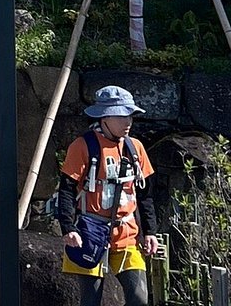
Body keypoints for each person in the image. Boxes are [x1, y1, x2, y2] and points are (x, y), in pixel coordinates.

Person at [57, 85, 159, 306]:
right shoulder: (82, 146)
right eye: (121, 116)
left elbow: (145, 195)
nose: (128, 122)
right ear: (104, 117)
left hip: (127, 234)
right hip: (90, 234)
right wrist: (68, 228)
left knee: (139, 298)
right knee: (91, 300)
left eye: (130, 115)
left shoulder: (135, 148)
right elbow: (66, 189)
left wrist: (150, 231)